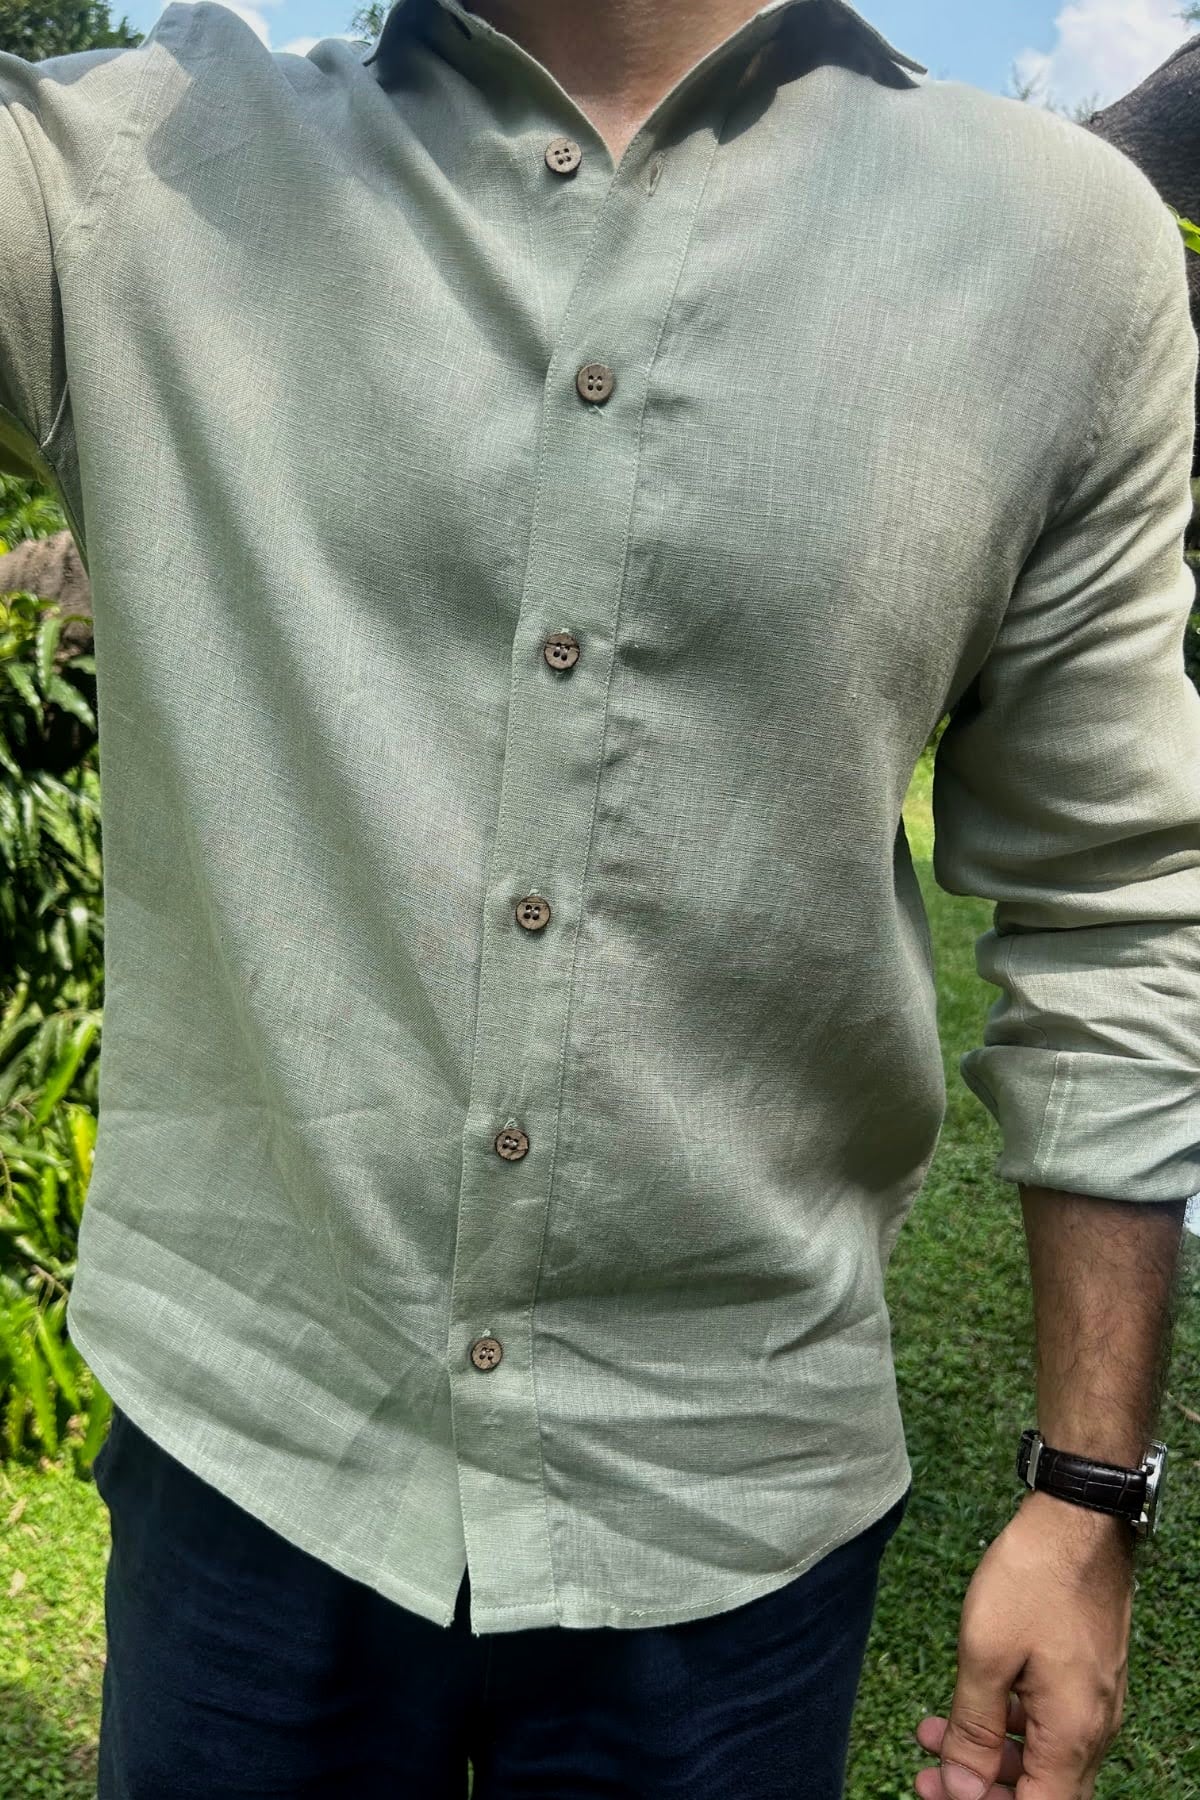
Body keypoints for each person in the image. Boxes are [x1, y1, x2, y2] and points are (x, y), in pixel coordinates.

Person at [2, 0, 1195, 1794]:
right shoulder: (115, 186)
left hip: (735, 1512)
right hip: (253, 1453)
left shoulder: (1059, 253)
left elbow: (1116, 901)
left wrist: (1089, 1492)